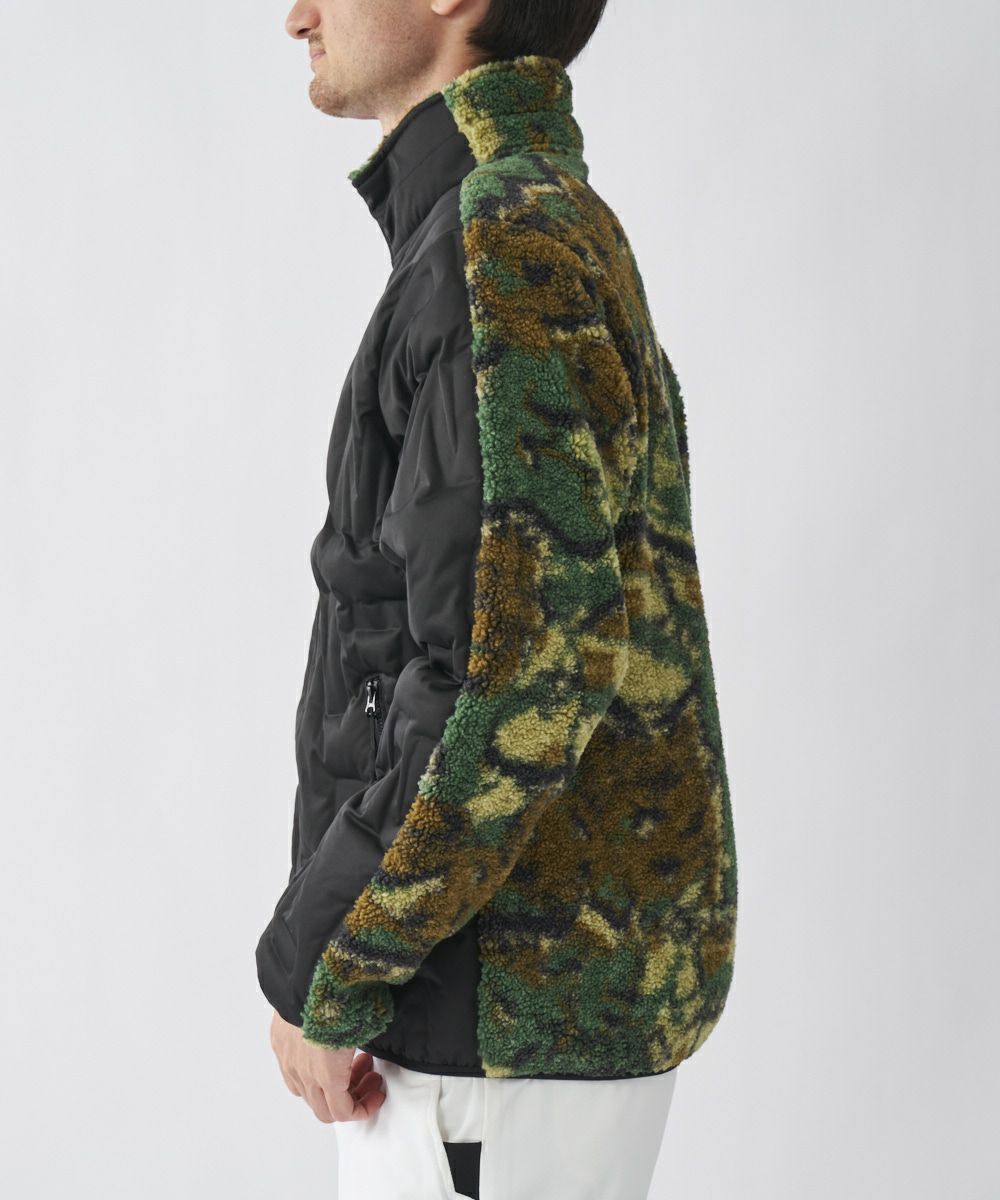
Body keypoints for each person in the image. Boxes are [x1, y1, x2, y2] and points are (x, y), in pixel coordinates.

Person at [256, 2, 738, 1196]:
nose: (295, 14)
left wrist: (329, 964)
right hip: (493, 1018)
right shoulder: (512, 225)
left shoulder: (503, 238)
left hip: (489, 1025)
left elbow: (509, 673)